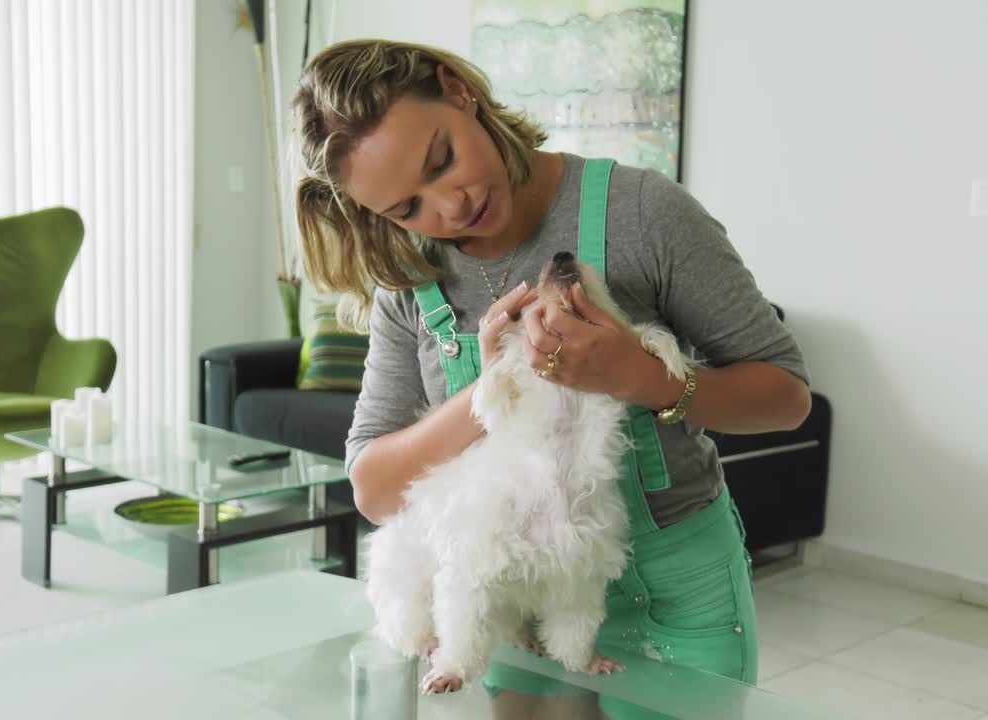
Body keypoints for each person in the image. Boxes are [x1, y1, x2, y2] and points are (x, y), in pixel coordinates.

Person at [290, 38, 811, 719]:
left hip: (674, 597)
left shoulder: (644, 214)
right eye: (406, 209)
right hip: (517, 606)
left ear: (457, 90)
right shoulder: (411, 282)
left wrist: (646, 380)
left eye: (442, 160)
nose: (447, 209)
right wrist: (490, 391)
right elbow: (376, 489)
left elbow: (787, 398)